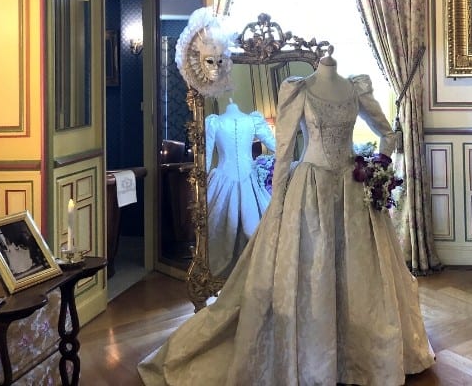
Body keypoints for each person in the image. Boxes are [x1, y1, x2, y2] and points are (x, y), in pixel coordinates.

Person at [138, 51, 435, 386]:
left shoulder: (356, 88)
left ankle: (356, 355)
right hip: (310, 188)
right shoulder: (299, 89)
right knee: (314, 267)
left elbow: (388, 133)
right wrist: (278, 200)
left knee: (357, 270)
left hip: (352, 190)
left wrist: (378, 168)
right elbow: (284, 150)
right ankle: (318, 356)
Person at [205, 99, 277, 277]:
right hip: (238, 177)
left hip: (231, 177)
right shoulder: (220, 122)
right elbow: (276, 146)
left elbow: (206, 159)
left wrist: (202, 179)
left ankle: (248, 268)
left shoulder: (218, 122)